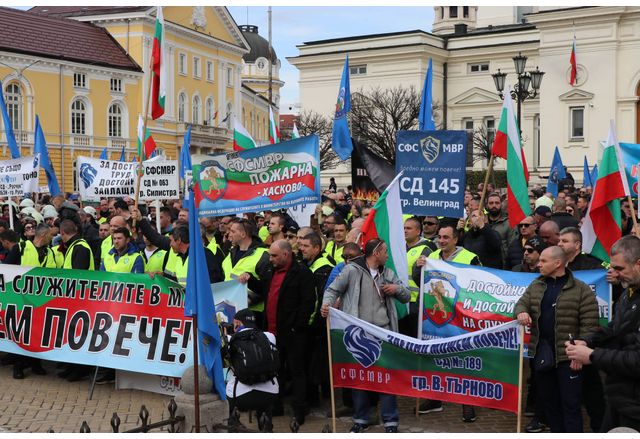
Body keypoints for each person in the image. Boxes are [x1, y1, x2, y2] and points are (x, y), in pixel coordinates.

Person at [322, 238, 410, 433]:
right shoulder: (351, 270)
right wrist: (326, 305)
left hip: (384, 334)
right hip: (358, 334)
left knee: (387, 379)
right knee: (359, 378)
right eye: (385, 251)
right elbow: (332, 289)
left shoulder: (387, 273)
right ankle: (361, 419)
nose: (387, 255)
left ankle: (390, 421)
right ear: (376, 253)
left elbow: (407, 295)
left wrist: (397, 289)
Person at [515, 246, 599, 433]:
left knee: (571, 406)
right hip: (542, 356)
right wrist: (521, 311)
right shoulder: (536, 285)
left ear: (558, 263)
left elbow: (590, 325)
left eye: (544, 261)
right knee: (550, 405)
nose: (539, 264)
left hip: (568, 359)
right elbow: (521, 302)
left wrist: (579, 350)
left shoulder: (581, 290)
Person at [566, 235, 640, 431]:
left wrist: (592, 356)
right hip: (620, 396)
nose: (613, 273)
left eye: (619, 268)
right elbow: (615, 329)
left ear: (638, 264)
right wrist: (587, 341)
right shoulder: (628, 293)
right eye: (612, 267)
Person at [417, 224, 480, 421]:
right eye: (440, 237)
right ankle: (435, 399)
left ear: (455, 239)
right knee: (433, 357)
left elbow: (479, 284)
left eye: (446, 237)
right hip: (436, 320)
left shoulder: (470, 257)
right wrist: (417, 268)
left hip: (461, 319)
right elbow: (421, 282)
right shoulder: (432, 257)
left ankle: (468, 403)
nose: (442, 241)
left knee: (464, 360)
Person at [263, 240, 316, 426]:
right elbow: (265, 292)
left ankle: (299, 411)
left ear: (286, 254)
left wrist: (296, 326)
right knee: (275, 371)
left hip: (293, 334)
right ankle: (276, 406)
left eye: (274, 256)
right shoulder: (270, 271)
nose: (271, 259)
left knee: (296, 372)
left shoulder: (302, 273)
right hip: (272, 332)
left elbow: (308, 302)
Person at [225, 308, 279, 433]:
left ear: (238, 323)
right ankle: (266, 427)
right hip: (270, 394)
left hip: (241, 397)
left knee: (227, 389)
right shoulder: (269, 336)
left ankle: (233, 425)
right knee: (264, 403)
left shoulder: (231, 339)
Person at [222, 219, 270, 322]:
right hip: (229, 311)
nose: (229, 234)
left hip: (252, 314)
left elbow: (268, 288)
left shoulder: (263, 255)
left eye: (233, 231)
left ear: (243, 234)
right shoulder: (230, 254)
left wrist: (249, 300)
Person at [402, 217, 435, 337]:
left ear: (418, 231)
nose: (405, 231)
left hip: (415, 302)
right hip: (400, 299)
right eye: (404, 228)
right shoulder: (400, 247)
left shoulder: (426, 248)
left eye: (409, 228)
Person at [486, 193, 516, 263]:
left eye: (497, 203)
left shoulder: (509, 223)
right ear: (487, 205)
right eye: (491, 203)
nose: (494, 205)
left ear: (501, 204)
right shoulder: (482, 221)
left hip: (502, 263)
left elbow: (512, 245)